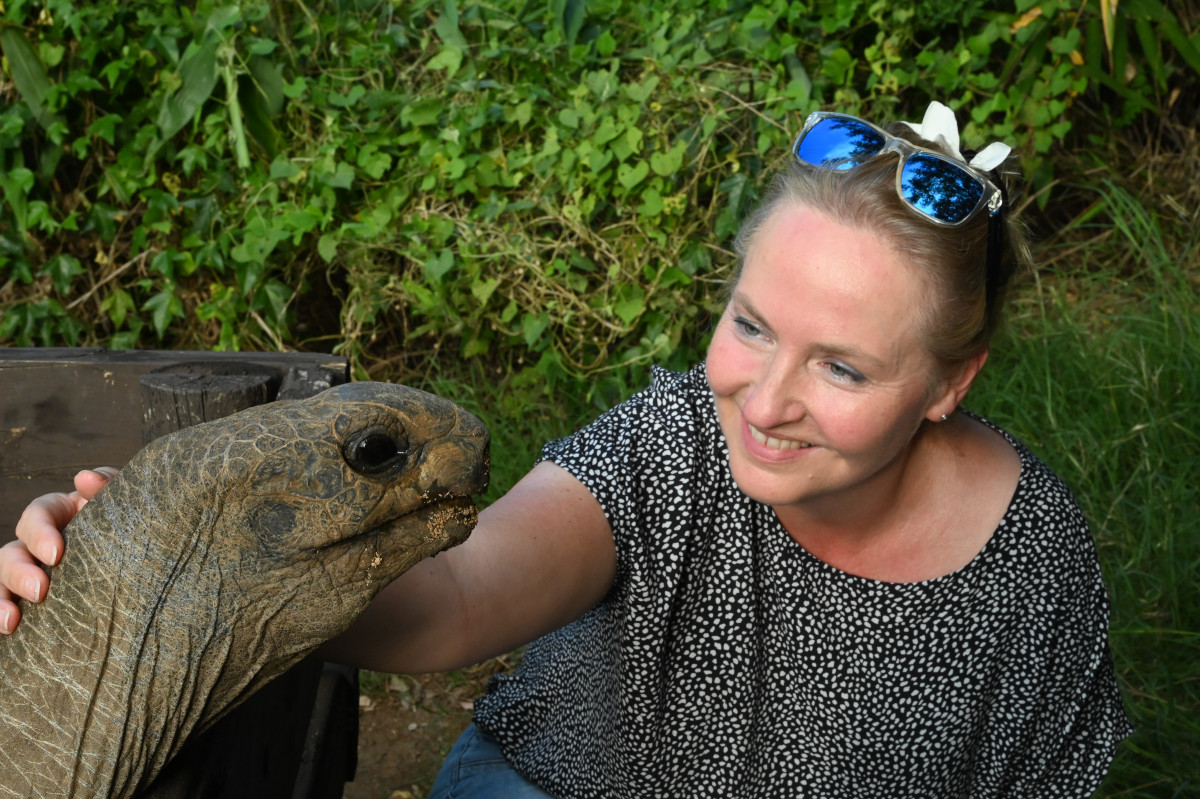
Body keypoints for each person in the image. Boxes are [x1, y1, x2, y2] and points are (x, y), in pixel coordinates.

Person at [1, 102, 1132, 796]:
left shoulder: (1036, 567)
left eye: (842, 367)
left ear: (949, 383)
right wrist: (166, 570)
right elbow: (460, 597)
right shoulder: (678, 441)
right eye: (750, 325)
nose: (765, 399)